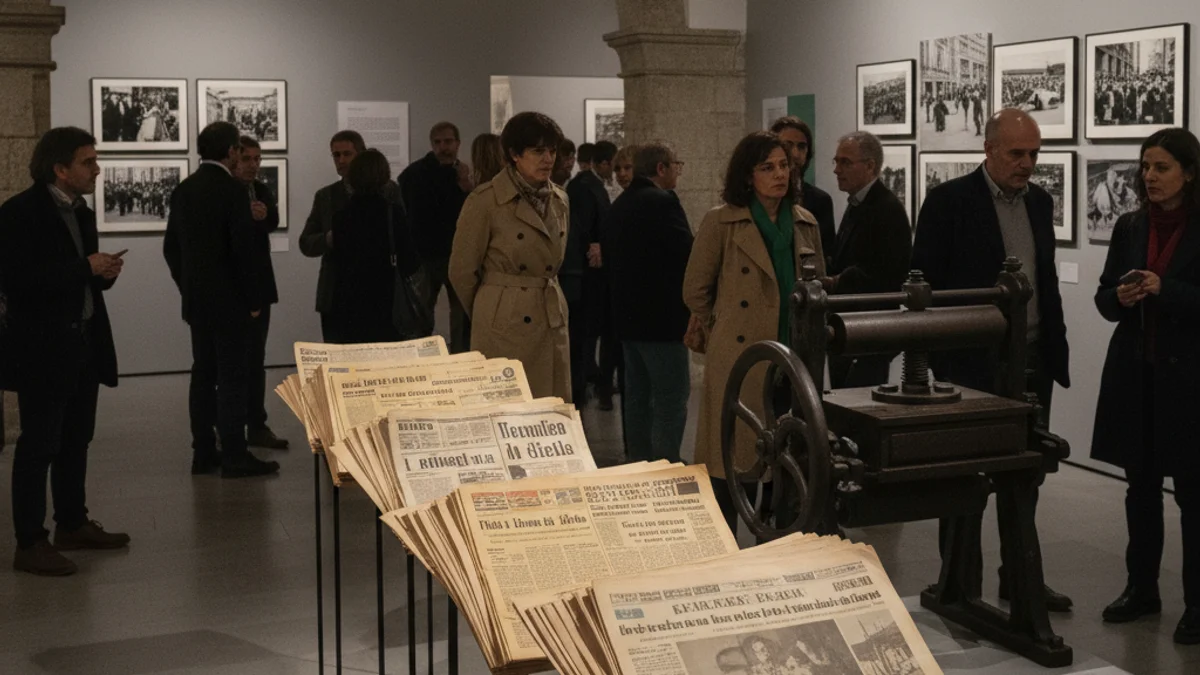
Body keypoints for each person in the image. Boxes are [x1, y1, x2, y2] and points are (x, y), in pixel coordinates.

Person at [911, 108, 1071, 611]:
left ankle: (1019, 574)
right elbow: (923, 287)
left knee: (1026, 473)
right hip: (971, 364)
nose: (1027, 164)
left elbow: (1044, 281)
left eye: (1034, 154)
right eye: (1017, 153)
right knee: (964, 477)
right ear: (989, 149)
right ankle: (959, 578)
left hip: (1030, 361)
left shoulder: (1040, 203)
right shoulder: (949, 202)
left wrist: (1052, 347)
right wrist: (937, 359)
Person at [0, 127, 129, 576]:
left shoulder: (81, 211)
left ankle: (71, 523)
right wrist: (83, 268)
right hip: (43, 348)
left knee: (77, 439)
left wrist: (102, 273)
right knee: (39, 445)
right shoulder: (20, 213)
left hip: (84, 341)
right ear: (60, 169)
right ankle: (29, 541)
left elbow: (78, 277)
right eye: (88, 162)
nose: (96, 169)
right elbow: (18, 283)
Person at [683, 131, 825, 533]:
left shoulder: (804, 222)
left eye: (784, 166)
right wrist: (726, 322)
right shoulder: (722, 222)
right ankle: (725, 540)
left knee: (783, 456)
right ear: (748, 177)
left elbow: (818, 286)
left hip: (791, 357)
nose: (780, 175)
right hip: (741, 357)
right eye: (767, 168)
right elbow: (694, 289)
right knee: (733, 455)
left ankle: (774, 537)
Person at [1091, 128, 1200, 645]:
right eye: (1145, 167)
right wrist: (1123, 298)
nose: (1150, 176)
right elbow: (1104, 296)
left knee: (1194, 496)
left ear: (1190, 173)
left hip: (1189, 382)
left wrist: (1167, 290)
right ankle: (1142, 589)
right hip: (1137, 374)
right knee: (1140, 490)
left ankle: (1199, 603)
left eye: (1161, 167)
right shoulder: (1131, 224)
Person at [164, 121, 279, 479]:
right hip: (232, 303)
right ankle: (234, 454)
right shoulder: (232, 191)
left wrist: (188, 287)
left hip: (199, 302)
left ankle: (202, 452)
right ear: (230, 151)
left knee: (202, 374)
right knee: (233, 377)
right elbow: (242, 253)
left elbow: (171, 248)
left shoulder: (184, 189)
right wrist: (253, 299)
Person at [449, 112, 571, 401]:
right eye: (538, 151)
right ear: (515, 154)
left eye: (552, 151)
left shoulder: (560, 199)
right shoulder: (486, 200)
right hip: (504, 320)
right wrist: (491, 308)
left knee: (550, 409)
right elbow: (461, 271)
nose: (548, 159)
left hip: (549, 310)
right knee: (508, 408)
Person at [605, 141, 692, 462]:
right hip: (662, 321)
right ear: (661, 169)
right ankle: (666, 463)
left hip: (628, 320)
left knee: (638, 398)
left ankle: (639, 462)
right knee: (671, 398)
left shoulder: (619, 205)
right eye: (675, 166)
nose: (677, 173)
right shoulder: (663, 202)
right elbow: (687, 255)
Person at [825, 131, 911, 387]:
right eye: (836, 161)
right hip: (849, 328)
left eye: (846, 162)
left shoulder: (886, 209)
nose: (837, 170)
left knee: (861, 407)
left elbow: (889, 273)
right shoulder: (858, 204)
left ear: (870, 166)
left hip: (869, 331)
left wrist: (835, 281)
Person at [329, 149, 421, 344]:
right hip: (386, 301)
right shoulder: (392, 213)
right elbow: (410, 261)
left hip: (350, 303)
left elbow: (338, 262)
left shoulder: (341, 217)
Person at [399, 122, 473, 353]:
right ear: (432, 144)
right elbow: (405, 213)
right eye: (438, 142)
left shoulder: (464, 175)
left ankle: (461, 361)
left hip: (457, 255)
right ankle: (421, 364)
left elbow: (473, 214)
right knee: (420, 315)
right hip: (425, 255)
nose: (443, 147)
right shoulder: (413, 174)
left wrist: (466, 186)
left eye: (448, 141)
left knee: (462, 315)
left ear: (458, 143)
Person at [233, 136, 287, 450]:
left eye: (257, 158)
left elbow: (274, 221)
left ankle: (256, 424)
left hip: (260, 286)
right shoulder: (226, 193)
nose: (253, 165)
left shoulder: (261, 189)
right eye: (247, 159)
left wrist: (264, 215)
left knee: (256, 358)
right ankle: (229, 427)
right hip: (235, 289)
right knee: (231, 362)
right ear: (234, 159)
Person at [300, 130, 367, 342]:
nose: (341, 160)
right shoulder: (326, 196)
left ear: (361, 155)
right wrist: (328, 239)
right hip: (335, 292)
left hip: (371, 291)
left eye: (347, 154)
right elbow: (305, 242)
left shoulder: (384, 191)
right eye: (336, 155)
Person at [563, 141, 611, 406]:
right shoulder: (585, 187)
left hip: (584, 270)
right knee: (585, 331)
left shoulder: (582, 186)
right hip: (586, 271)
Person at [579, 140, 622, 410]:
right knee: (596, 330)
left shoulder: (591, 186)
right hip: (593, 273)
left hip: (596, 272)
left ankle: (599, 380)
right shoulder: (587, 187)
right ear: (604, 163)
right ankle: (596, 381)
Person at [770, 116, 836, 261]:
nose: (795, 154)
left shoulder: (821, 201)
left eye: (801, 147)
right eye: (788, 145)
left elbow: (825, 255)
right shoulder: (763, 196)